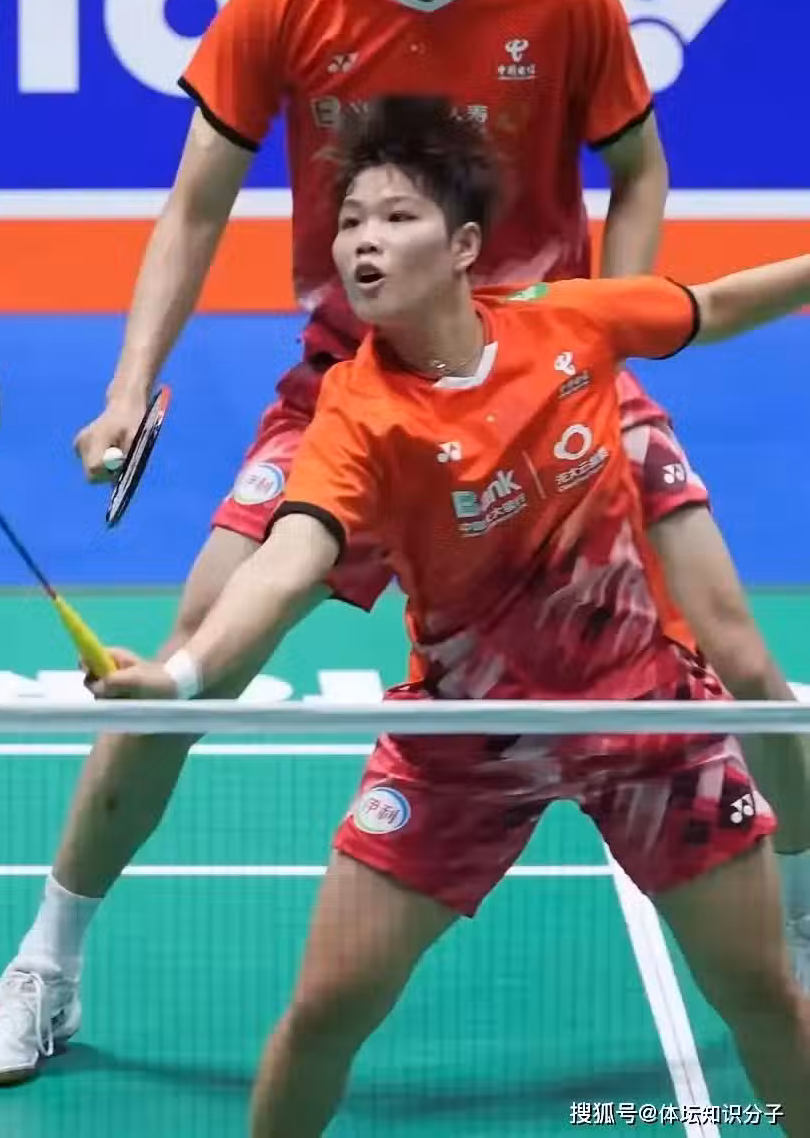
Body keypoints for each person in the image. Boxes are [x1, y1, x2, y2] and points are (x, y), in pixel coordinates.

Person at [0, 0, 810, 1085]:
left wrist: (606, 344)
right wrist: (129, 386)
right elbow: (194, 205)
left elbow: (640, 169)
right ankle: (47, 961)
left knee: (743, 658)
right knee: (186, 661)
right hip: (349, 390)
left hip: (549, 367)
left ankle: (794, 916)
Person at [93, 95, 810, 1136]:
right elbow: (289, 564)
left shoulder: (568, 322)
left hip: (648, 722)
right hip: (466, 743)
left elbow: (714, 304)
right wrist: (183, 676)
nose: (362, 241)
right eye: (349, 222)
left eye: (395, 217)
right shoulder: (357, 410)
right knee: (325, 1012)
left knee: (763, 997)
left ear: (465, 246)